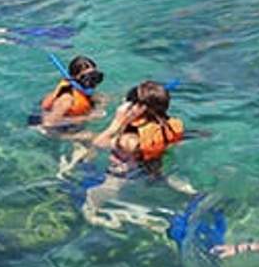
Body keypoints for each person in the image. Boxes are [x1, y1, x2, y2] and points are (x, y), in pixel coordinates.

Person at [63, 80, 195, 226]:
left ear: (139, 108)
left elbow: (99, 143)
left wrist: (117, 122)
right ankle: (190, 192)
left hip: (125, 174)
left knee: (93, 196)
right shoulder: (169, 125)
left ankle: (96, 217)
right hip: (155, 167)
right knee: (165, 178)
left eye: (129, 103)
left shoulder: (128, 140)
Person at [33, 55, 105, 131]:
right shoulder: (67, 98)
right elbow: (48, 124)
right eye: (88, 78)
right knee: (91, 137)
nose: (93, 83)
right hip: (51, 128)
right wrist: (88, 117)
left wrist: (100, 106)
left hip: (69, 123)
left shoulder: (84, 90)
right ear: (75, 77)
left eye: (96, 77)